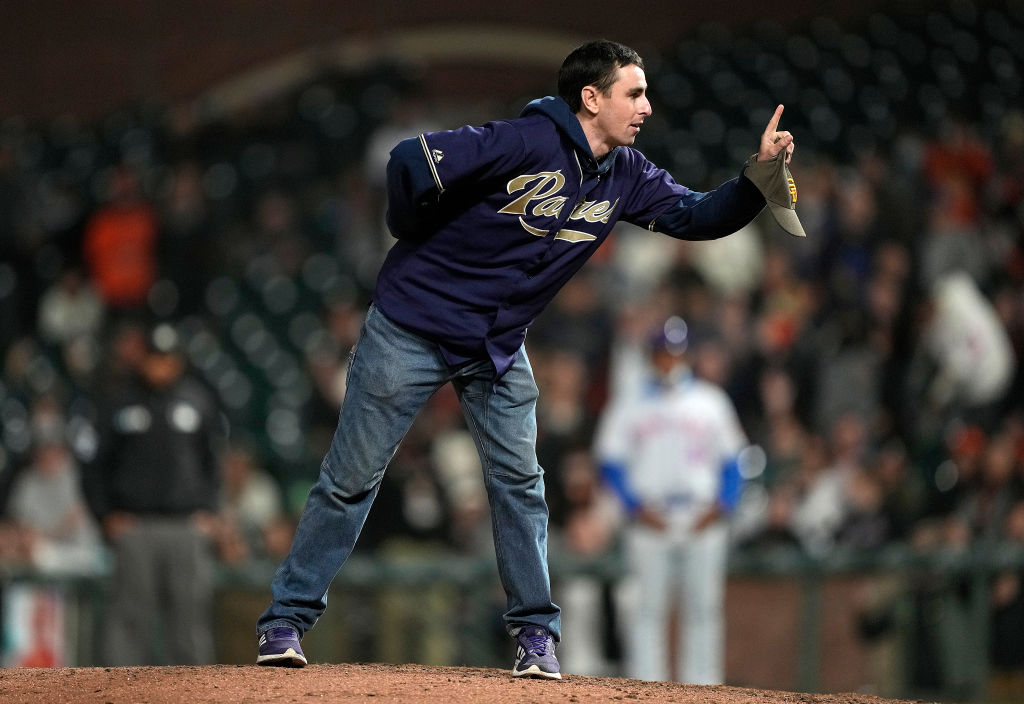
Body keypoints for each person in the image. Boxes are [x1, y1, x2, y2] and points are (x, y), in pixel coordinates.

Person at [255, 39, 799, 679]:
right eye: (634, 93)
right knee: (352, 478)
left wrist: (757, 176)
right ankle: (285, 621)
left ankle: (536, 638)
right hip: (412, 326)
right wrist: (410, 229)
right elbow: (410, 159)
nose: (647, 106)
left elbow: (696, 217)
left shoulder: (626, 174)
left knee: (521, 486)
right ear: (590, 98)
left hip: (497, 345)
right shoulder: (520, 142)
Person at [594, 317, 748, 684]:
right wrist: (634, 507)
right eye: (664, 354)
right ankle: (648, 689)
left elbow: (735, 461)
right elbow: (609, 462)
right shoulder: (630, 402)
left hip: (701, 517)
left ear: (688, 356)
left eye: (676, 354)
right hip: (651, 518)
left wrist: (722, 506)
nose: (670, 361)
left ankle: (704, 689)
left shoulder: (711, 401)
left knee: (704, 610)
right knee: (647, 611)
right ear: (653, 356)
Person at [81, 322, 225, 665]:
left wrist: (210, 510)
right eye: (154, 357)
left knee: (190, 619)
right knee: (130, 618)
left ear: (178, 360)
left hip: (185, 526)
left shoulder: (197, 400)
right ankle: (119, 696)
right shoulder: (117, 402)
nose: (161, 366)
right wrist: (104, 515)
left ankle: (194, 697)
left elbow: (213, 462)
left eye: (168, 358)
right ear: (142, 358)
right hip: (136, 526)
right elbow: (93, 466)